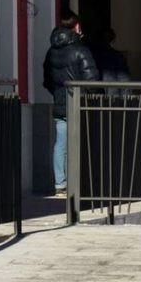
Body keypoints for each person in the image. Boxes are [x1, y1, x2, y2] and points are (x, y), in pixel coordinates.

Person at [43, 10, 99, 197]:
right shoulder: (80, 50)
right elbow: (91, 79)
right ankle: (80, 183)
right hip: (79, 103)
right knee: (80, 143)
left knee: (61, 144)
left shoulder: (51, 51)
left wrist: (59, 94)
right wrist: (95, 97)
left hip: (60, 102)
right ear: (76, 26)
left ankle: (60, 183)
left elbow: (47, 80)